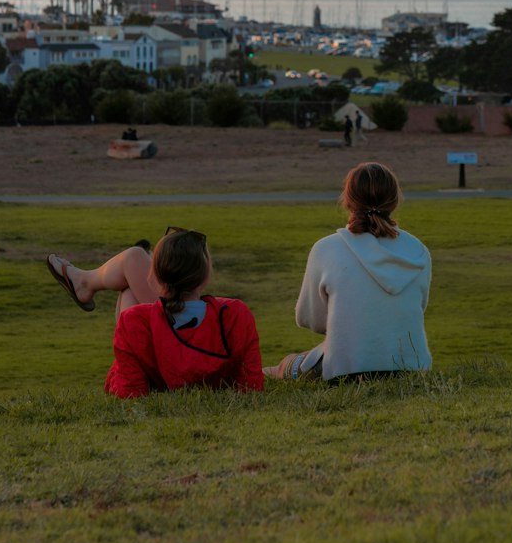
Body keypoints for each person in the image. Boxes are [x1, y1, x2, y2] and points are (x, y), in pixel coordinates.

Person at [45, 228, 264, 398]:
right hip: (204, 363)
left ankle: (85, 281)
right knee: (132, 269)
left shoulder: (134, 322)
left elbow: (127, 391)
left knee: (132, 266)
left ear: (155, 278)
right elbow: (251, 384)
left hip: (157, 370)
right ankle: (85, 281)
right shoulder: (235, 314)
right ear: (205, 276)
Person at [264, 161, 431, 382]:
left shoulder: (327, 248)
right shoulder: (418, 250)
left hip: (346, 371)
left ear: (348, 200)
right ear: (395, 199)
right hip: (411, 370)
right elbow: (416, 308)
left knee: (283, 367)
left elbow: (308, 318)